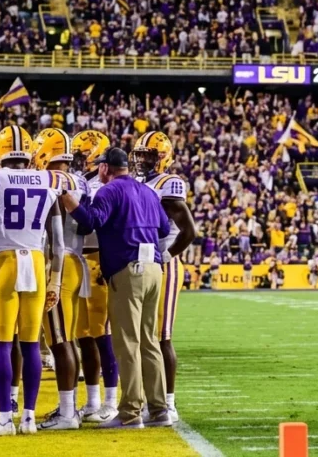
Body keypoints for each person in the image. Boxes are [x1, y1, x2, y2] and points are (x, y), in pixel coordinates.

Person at [0, 126, 66, 436]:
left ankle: (6, 419)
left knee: (1, 344)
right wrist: (55, 280)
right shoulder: (49, 179)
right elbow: (58, 242)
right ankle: (29, 418)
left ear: (0, 151)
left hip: (4, 261)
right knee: (31, 345)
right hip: (36, 262)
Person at [63, 146, 172, 430]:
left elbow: (91, 222)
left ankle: (130, 413)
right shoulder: (147, 191)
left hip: (128, 268)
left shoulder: (108, 191)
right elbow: (162, 228)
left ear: (104, 168)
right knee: (149, 341)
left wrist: (69, 200)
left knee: (127, 344)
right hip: (154, 269)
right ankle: (159, 409)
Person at [132, 131, 197, 423]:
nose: (143, 160)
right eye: (140, 154)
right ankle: (148, 399)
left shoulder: (169, 183)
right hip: (141, 263)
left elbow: (189, 231)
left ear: (162, 157)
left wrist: (167, 257)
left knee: (162, 336)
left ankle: (168, 403)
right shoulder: (136, 182)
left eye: (149, 155)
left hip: (164, 264)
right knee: (142, 337)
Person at [30, 128, 89, 431]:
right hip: (74, 262)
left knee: (59, 339)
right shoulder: (78, 180)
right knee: (66, 338)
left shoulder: (53, 180)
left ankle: (68, 413)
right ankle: (70, 408)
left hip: (58, 263)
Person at [68, 131, 120, 424]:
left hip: (99, 258)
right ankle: (92, 401)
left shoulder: (106, 184)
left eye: (82, 153)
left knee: (103, 334)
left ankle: (112, 401)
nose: (77, 159)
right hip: (80, 259)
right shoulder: (81, 180)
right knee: (83, 335)